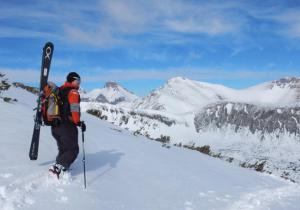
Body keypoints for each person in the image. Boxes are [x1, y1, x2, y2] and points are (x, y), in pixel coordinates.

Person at [49, 72, 86, 178]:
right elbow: (74, 110)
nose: (79, 83)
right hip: (66, 126)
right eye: (77, 81)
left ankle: (61, 167)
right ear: (72, 80)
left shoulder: (60, 90)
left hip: (55, 125)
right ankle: (57, 168)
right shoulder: (73, 92)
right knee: (73, 149)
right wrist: (78, 122)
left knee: (64, 148)